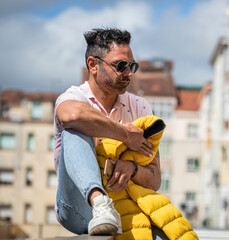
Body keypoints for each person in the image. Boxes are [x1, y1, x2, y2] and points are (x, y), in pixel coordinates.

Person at [54, 27, 167, 239]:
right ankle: (99, 202)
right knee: (74, 130)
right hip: (78, 209)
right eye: (121, 65)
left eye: (132, 65)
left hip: (126, 208)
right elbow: (70, 116)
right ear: (93, 65)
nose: (129, 73)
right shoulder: (74, 97)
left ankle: (108, 211)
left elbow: (155, 180)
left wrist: (132, 169)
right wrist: (126, 135)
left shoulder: (140, 107)